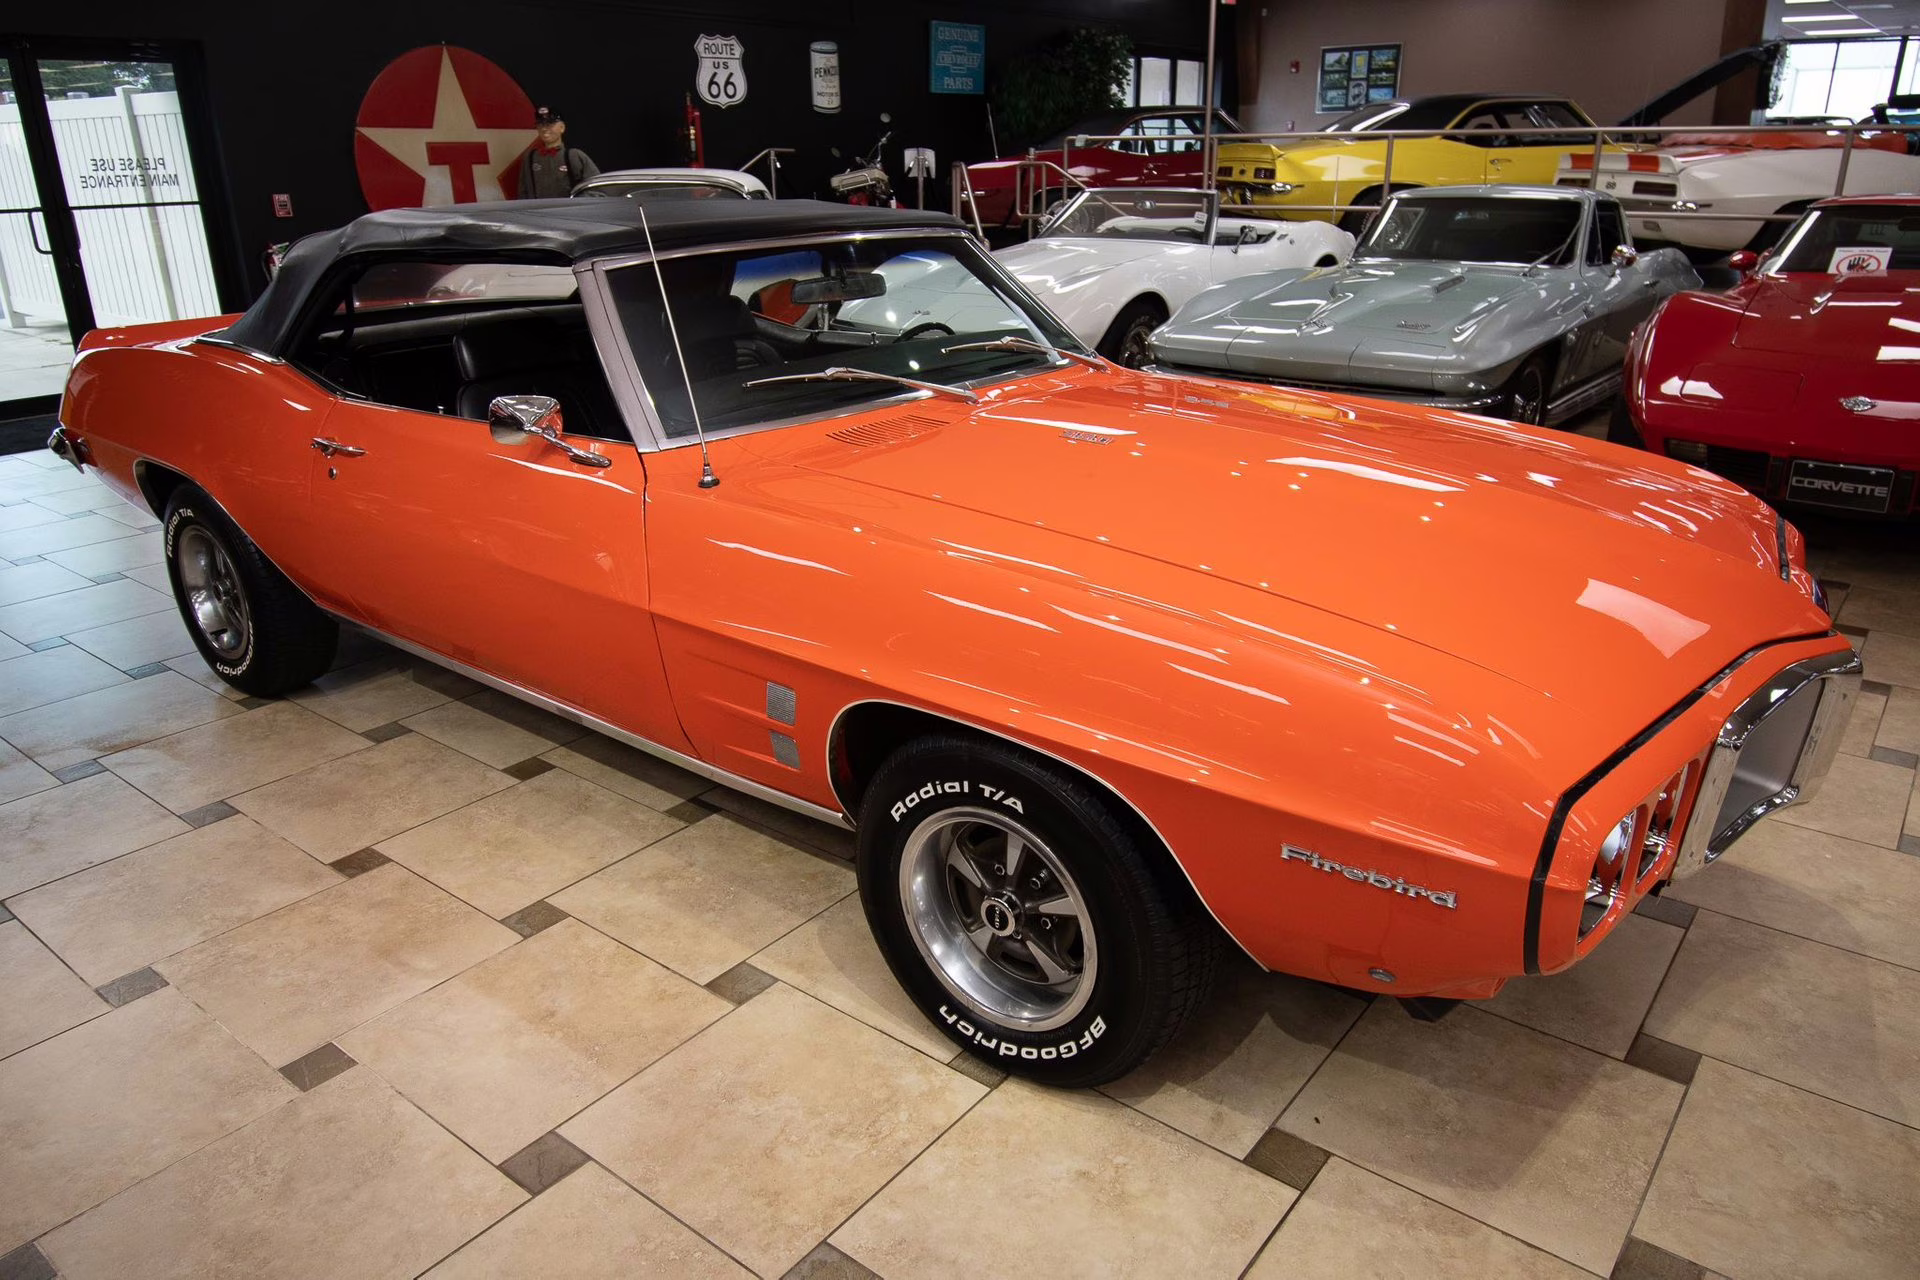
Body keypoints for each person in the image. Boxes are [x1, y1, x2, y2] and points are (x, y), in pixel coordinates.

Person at [516, 106, 600, 198]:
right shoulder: (530, 158)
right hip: (538, 210)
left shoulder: (574, 156)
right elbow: (523, 192)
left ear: (562, 128)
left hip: (569, 210)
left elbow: (596, 187)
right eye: (540, 125)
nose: (544, 129)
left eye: (550, 124)